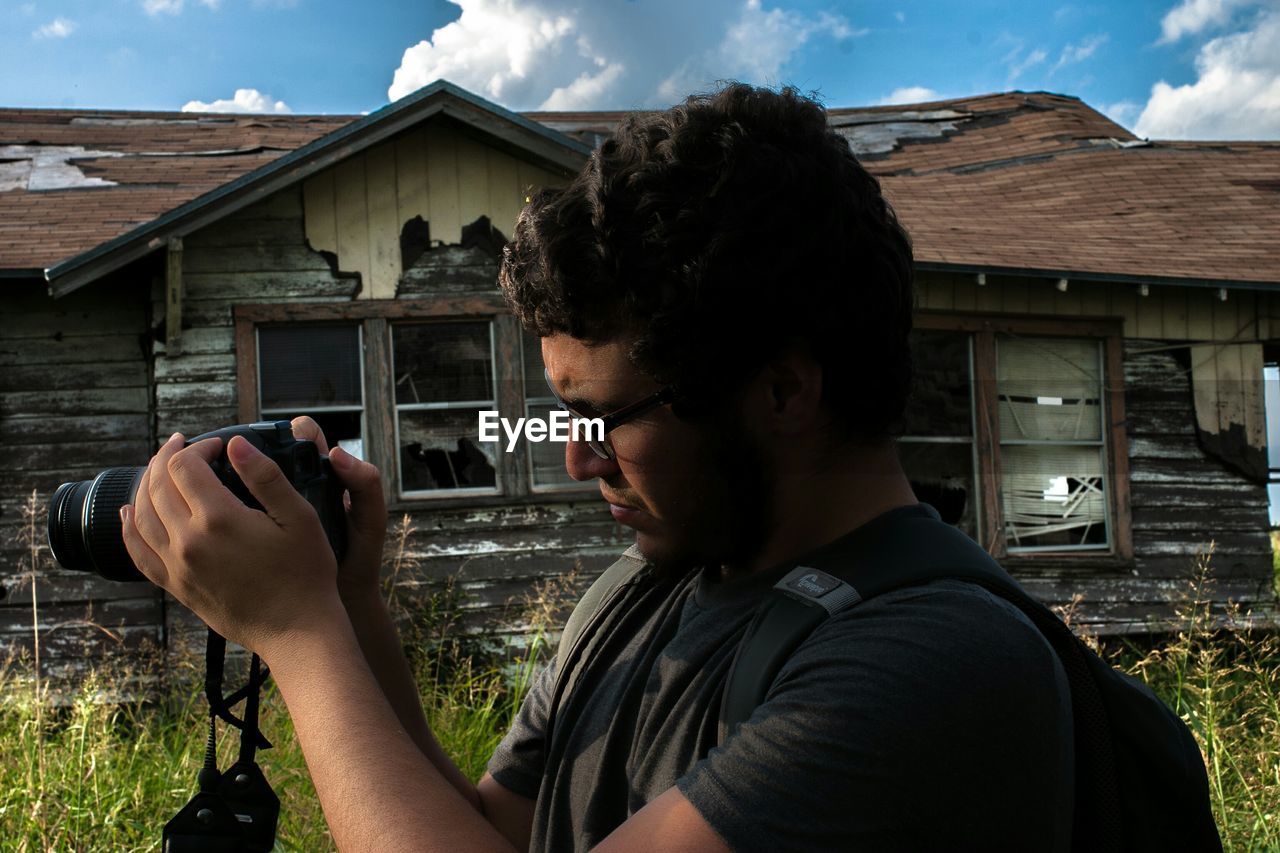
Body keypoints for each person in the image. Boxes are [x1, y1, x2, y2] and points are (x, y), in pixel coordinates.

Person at [122, 83, 1073, 851]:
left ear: (784, 393)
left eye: (603, 416)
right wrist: (351, 603)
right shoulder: (637, 594)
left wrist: (298, 632)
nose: (577, 457)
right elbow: (496, 832)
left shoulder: (933, 665)